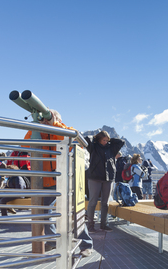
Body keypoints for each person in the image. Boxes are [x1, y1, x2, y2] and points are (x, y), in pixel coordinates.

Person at [24, 109, 93, 257]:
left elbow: (73, 141)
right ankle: (52, 241)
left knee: (75, 212)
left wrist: (54, 124)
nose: (46, 121)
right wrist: (37, 126)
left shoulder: (66, 130)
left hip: (65, 181)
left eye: (48, 118)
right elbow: (26, 146)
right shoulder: (38, 132)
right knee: (43, 212)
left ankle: (86, 244)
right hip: (46, 181)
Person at [85, 131, 124, 232]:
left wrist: (110, 140)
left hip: (108, 178)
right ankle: (90, 225)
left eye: (107, 140)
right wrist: (95, 138)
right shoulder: (93, 146)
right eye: (104, 140)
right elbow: (86, 139)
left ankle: (103, 224)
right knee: (92, 202)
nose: (106, 142)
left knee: (105, 203)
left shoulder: (111, 148)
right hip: (94, 177)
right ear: (99, 139)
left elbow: (121, 142)